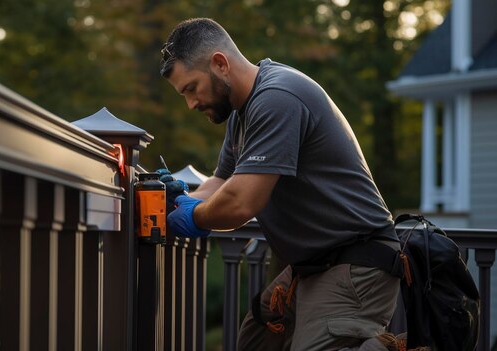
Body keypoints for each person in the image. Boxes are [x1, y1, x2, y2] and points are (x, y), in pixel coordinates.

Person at [158, 18, 404, 351]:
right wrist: (181, 198)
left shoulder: (277, 97)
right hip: (311, 265)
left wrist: (195, 216)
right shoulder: (243, 111)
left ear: (219, 64)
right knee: (255, 342)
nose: (190, 103)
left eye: (191, 88)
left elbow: (241, 203)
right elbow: (222, 182)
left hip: (355, 263)